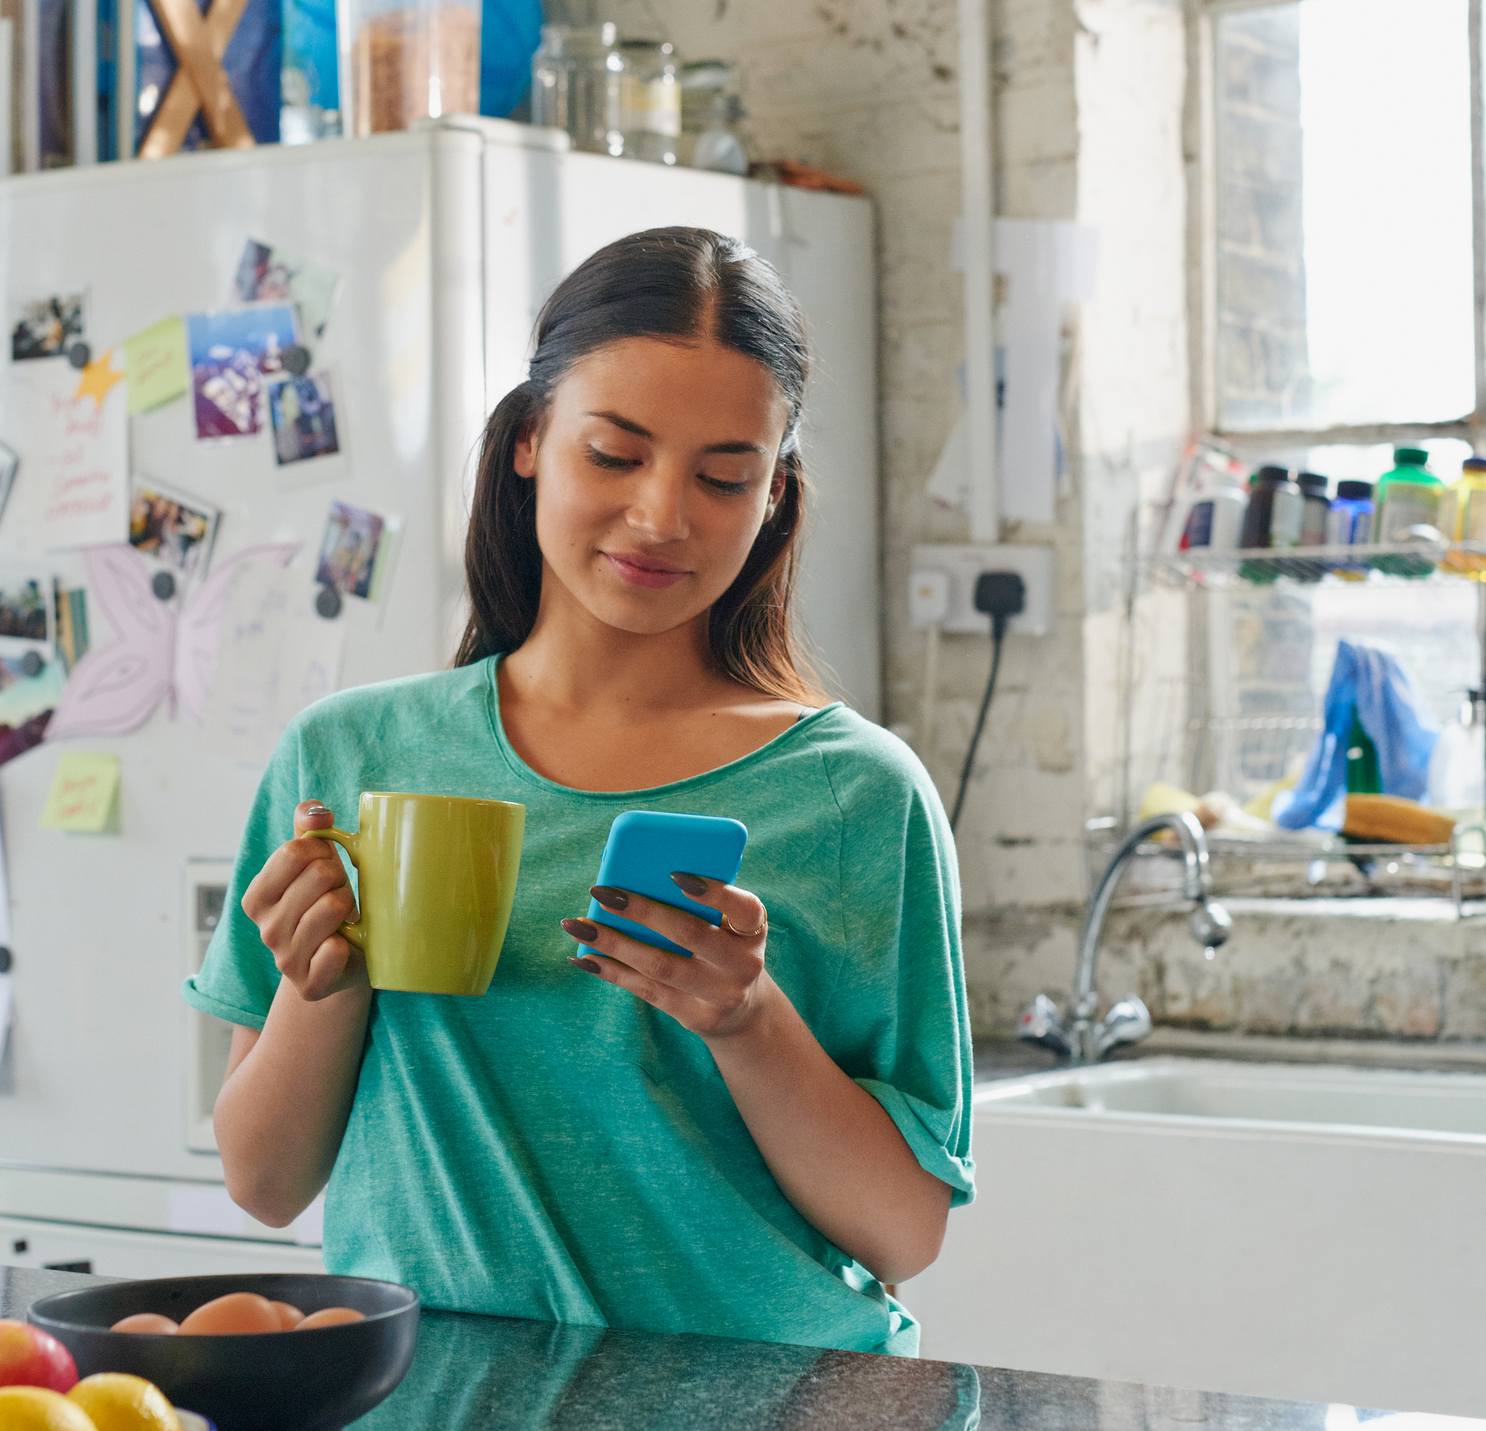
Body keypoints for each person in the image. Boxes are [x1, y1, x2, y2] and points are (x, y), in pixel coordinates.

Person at [187, 227, 972, 1356]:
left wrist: (744, 1021)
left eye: (722, 478)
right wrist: (324, 980)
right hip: (438, 1398)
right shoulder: (351, 759)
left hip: (767, 1400)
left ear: (773, 498)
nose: (662, 517)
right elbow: (262, 1182)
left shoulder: (854, 795)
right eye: (613, 454)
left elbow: (903, 1233)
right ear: (527, 443)